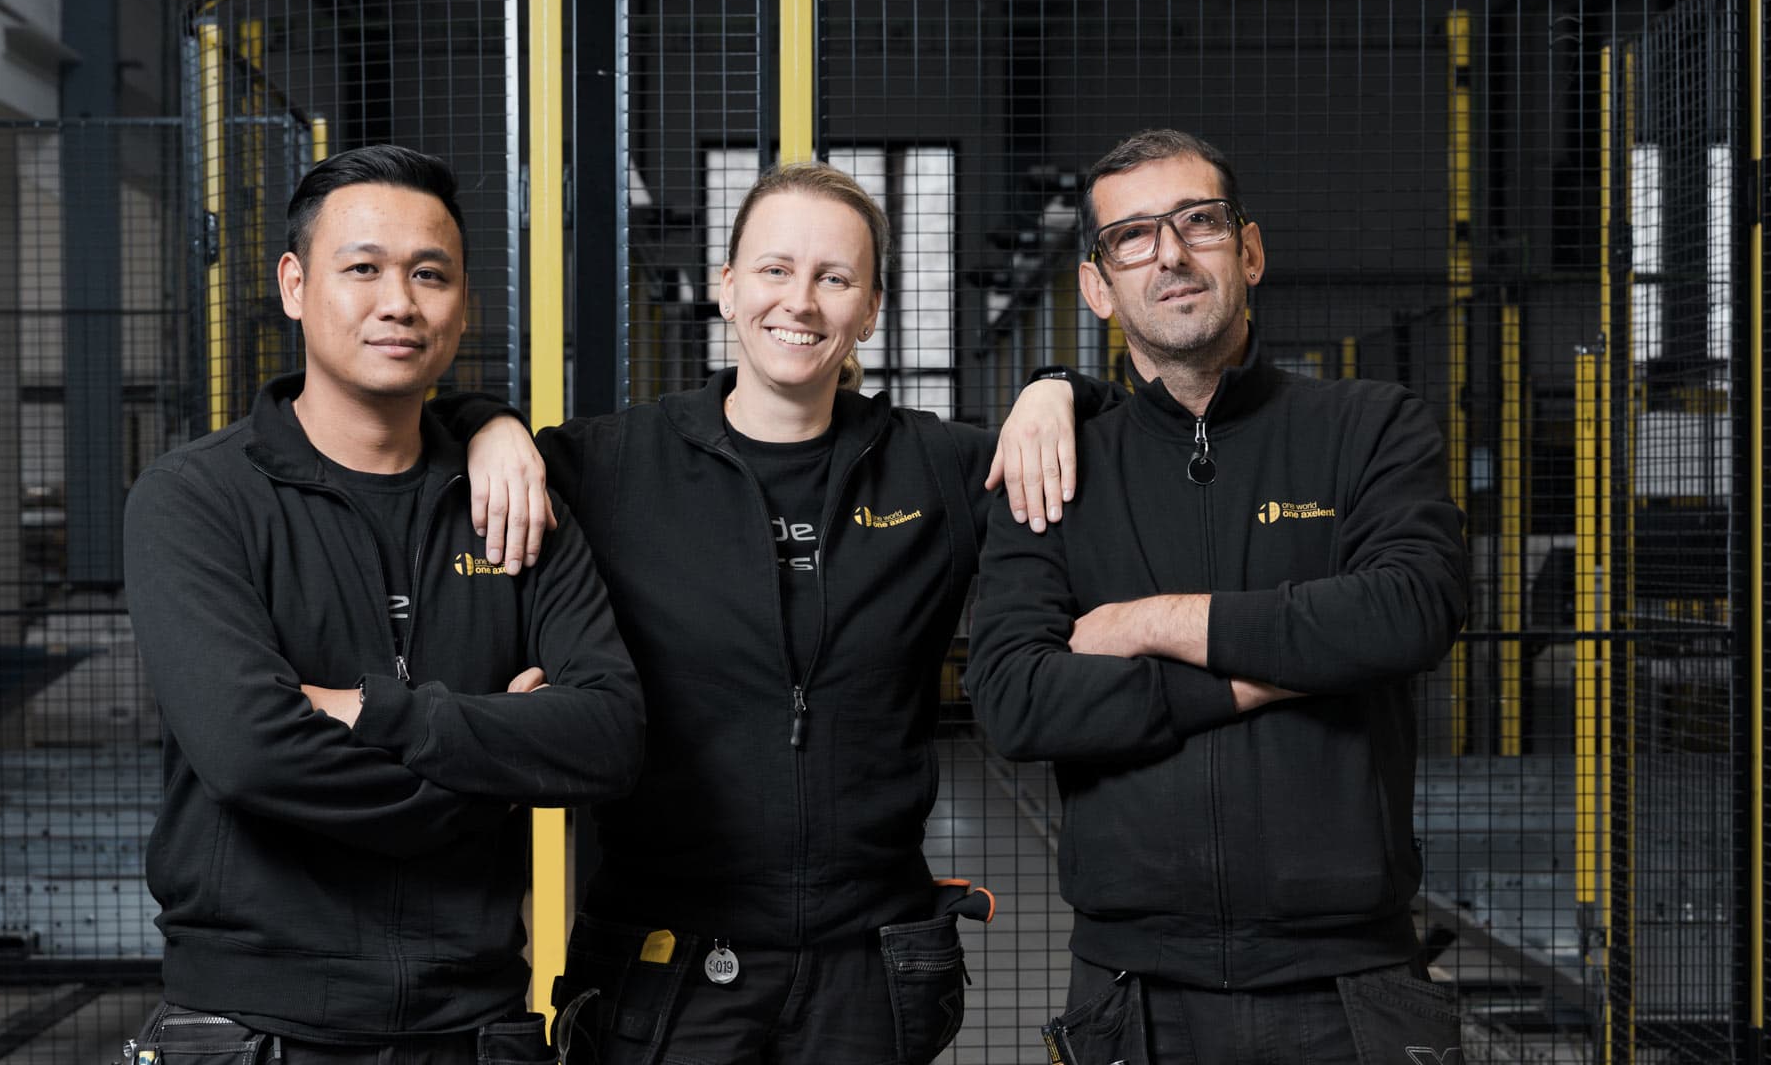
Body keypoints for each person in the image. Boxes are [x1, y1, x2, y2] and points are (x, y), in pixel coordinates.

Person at [438, 160, 1102, 1065]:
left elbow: (1122, 451)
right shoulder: (612, 465)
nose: (802, 301)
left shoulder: (935, 470)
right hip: (661, 967)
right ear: (727, 287)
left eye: (836, 278)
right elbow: (414, 451)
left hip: (868, 969)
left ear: (871, 308)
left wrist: (1061, 385)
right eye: (775, 270)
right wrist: (488, 421)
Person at [121, 144, 644, 1065]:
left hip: (476, 1024)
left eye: (429, 274)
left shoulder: (518, 508)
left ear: (463, 302)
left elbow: (608, 735)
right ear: (293, 284)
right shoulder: (195, 500)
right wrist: (499, 763)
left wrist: (371, 713)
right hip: (255, 1030)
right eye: (361, 268)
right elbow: (253, 757)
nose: (398, 302)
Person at [965, 129, 1469, 1063]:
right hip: (1135, 993)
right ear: (1098, 287)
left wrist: (1149, 623)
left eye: (1199, 221)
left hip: (1351, 987)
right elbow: (1016, 700)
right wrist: (1265, 672)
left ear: (1250, 251)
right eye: (1133, 235)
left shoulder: (1367, 428)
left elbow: (1408, 610)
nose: (1171, 251)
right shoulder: (1054, 468)